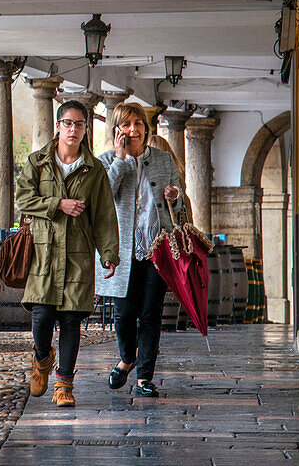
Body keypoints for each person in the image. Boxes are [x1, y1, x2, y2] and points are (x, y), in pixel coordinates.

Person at [15, 100, 120, 408]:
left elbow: (103, 215)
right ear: (58, 126)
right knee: (42, 315)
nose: (73, 129)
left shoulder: (94, 169)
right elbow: (23, 199)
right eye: (68, 123)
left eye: (80, 124)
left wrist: (109, 253)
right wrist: (58, 204)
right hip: (43, 254)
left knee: (72, 319)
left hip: (78, 254)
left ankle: (64, 385)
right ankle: (42, 358)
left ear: (86, 130)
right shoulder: (37, 162)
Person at [96, 102, 184, 398]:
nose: (133, 129)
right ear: (116, 130)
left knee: (150, 315)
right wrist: (121, 160)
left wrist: (175, 196)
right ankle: (127, 358)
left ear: (146, 129)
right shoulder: (106, 160)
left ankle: (144, 377)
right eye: (126, 124)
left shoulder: (163, 160)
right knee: (122, 313)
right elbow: (102, 199)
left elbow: (179, 203)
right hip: (121, 250)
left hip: (156, 248)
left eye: (138, 124)